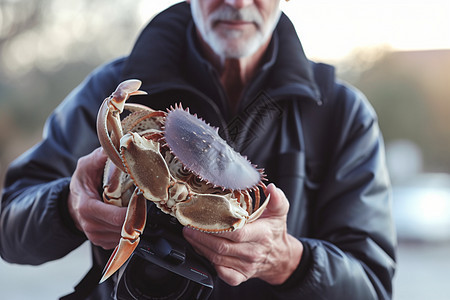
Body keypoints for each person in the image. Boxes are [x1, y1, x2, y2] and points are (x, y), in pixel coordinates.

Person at [0, 0, 396, 299]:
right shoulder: (115, 93)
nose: (237, 3)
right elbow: (8, 226)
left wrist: (287, 260)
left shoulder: (341, 114)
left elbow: (373, 287)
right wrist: (68, 208)